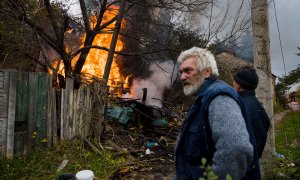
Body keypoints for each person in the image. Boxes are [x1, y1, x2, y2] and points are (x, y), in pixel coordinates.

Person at [175, 47, 260, 179]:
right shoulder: (202, 99)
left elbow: (236, 149)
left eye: (188, 71)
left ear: (207, 72)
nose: (182, 77)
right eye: (180, 72)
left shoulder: (218, 97)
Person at [233, 68, 271, 158]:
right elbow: (266, 123)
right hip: (253, 160)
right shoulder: (257, 104)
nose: (233, 84)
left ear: (239, 85)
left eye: (234, 81)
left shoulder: (239, 106)